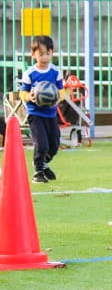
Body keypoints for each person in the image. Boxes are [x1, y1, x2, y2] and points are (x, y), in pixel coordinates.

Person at [19, 35, 65, 183]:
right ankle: (38, 171)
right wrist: (29, 96)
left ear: (52, 53)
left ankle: (44, 164)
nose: (44, 57)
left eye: (48, 53)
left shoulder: (56, 72)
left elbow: (62, 91)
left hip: (51, 113)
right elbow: (22, 93)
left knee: (54, 145)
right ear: (33, 55)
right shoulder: (30, 73)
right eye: (41, 54)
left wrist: (58, 97)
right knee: (41, 143)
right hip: (35, 113)